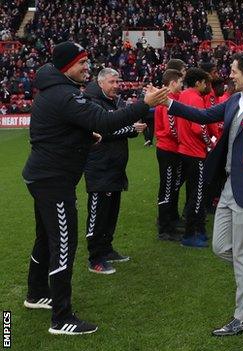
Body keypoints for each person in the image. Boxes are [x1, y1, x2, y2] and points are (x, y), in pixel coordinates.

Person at [21, 41, 167, 335]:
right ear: (66, 66)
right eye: (81, 63)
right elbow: (105, 120)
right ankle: (61, 318)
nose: (86, 68)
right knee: (63, 245)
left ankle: (36, 294)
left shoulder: (54, 91)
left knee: (45, 239)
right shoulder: (63, 94)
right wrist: (144, 105)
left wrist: (87, 138)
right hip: (54, 181)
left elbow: (52, 133)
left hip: (43, 177)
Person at [160, 50, 243, 336]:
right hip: (229, 186)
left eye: (233, 70)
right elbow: (203, 115)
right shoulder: (234, 100)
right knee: (221, 247)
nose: (229, 75)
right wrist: (169, 102)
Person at [83, 68, 147, 274]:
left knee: (111, 214)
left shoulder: (115, 102)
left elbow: (120, 126)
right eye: (111, 82)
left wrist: (130, 128)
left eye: (117, 81)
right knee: (98, 215)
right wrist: (130, 129)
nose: (116, 85)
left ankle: (107, 249)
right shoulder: (92, 102)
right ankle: (95, 258)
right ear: (101, 83)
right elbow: (102, 131)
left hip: (115, 168)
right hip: (99, 168)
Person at [175, 68, 214, 247]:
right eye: (205, 82)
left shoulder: (183, 95)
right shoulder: (196, 98)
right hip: (195, 151)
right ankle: (191, 234)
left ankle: (198, 229)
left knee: (192, 192)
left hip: (184, 149)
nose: (206, 86)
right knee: (197, 195)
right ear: (198, 82)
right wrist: (209, 143)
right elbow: (199, 127)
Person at [154, 69, 185, 241]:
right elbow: (171, 128)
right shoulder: (167, 101)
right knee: (167, 189)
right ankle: (164, 228)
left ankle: (171, 222)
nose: (182, 85)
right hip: (168, 149)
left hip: (171, 148)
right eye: (180, 82)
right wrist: (184, 139)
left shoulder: (170, 99)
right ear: (173, 83)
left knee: (171, 187)